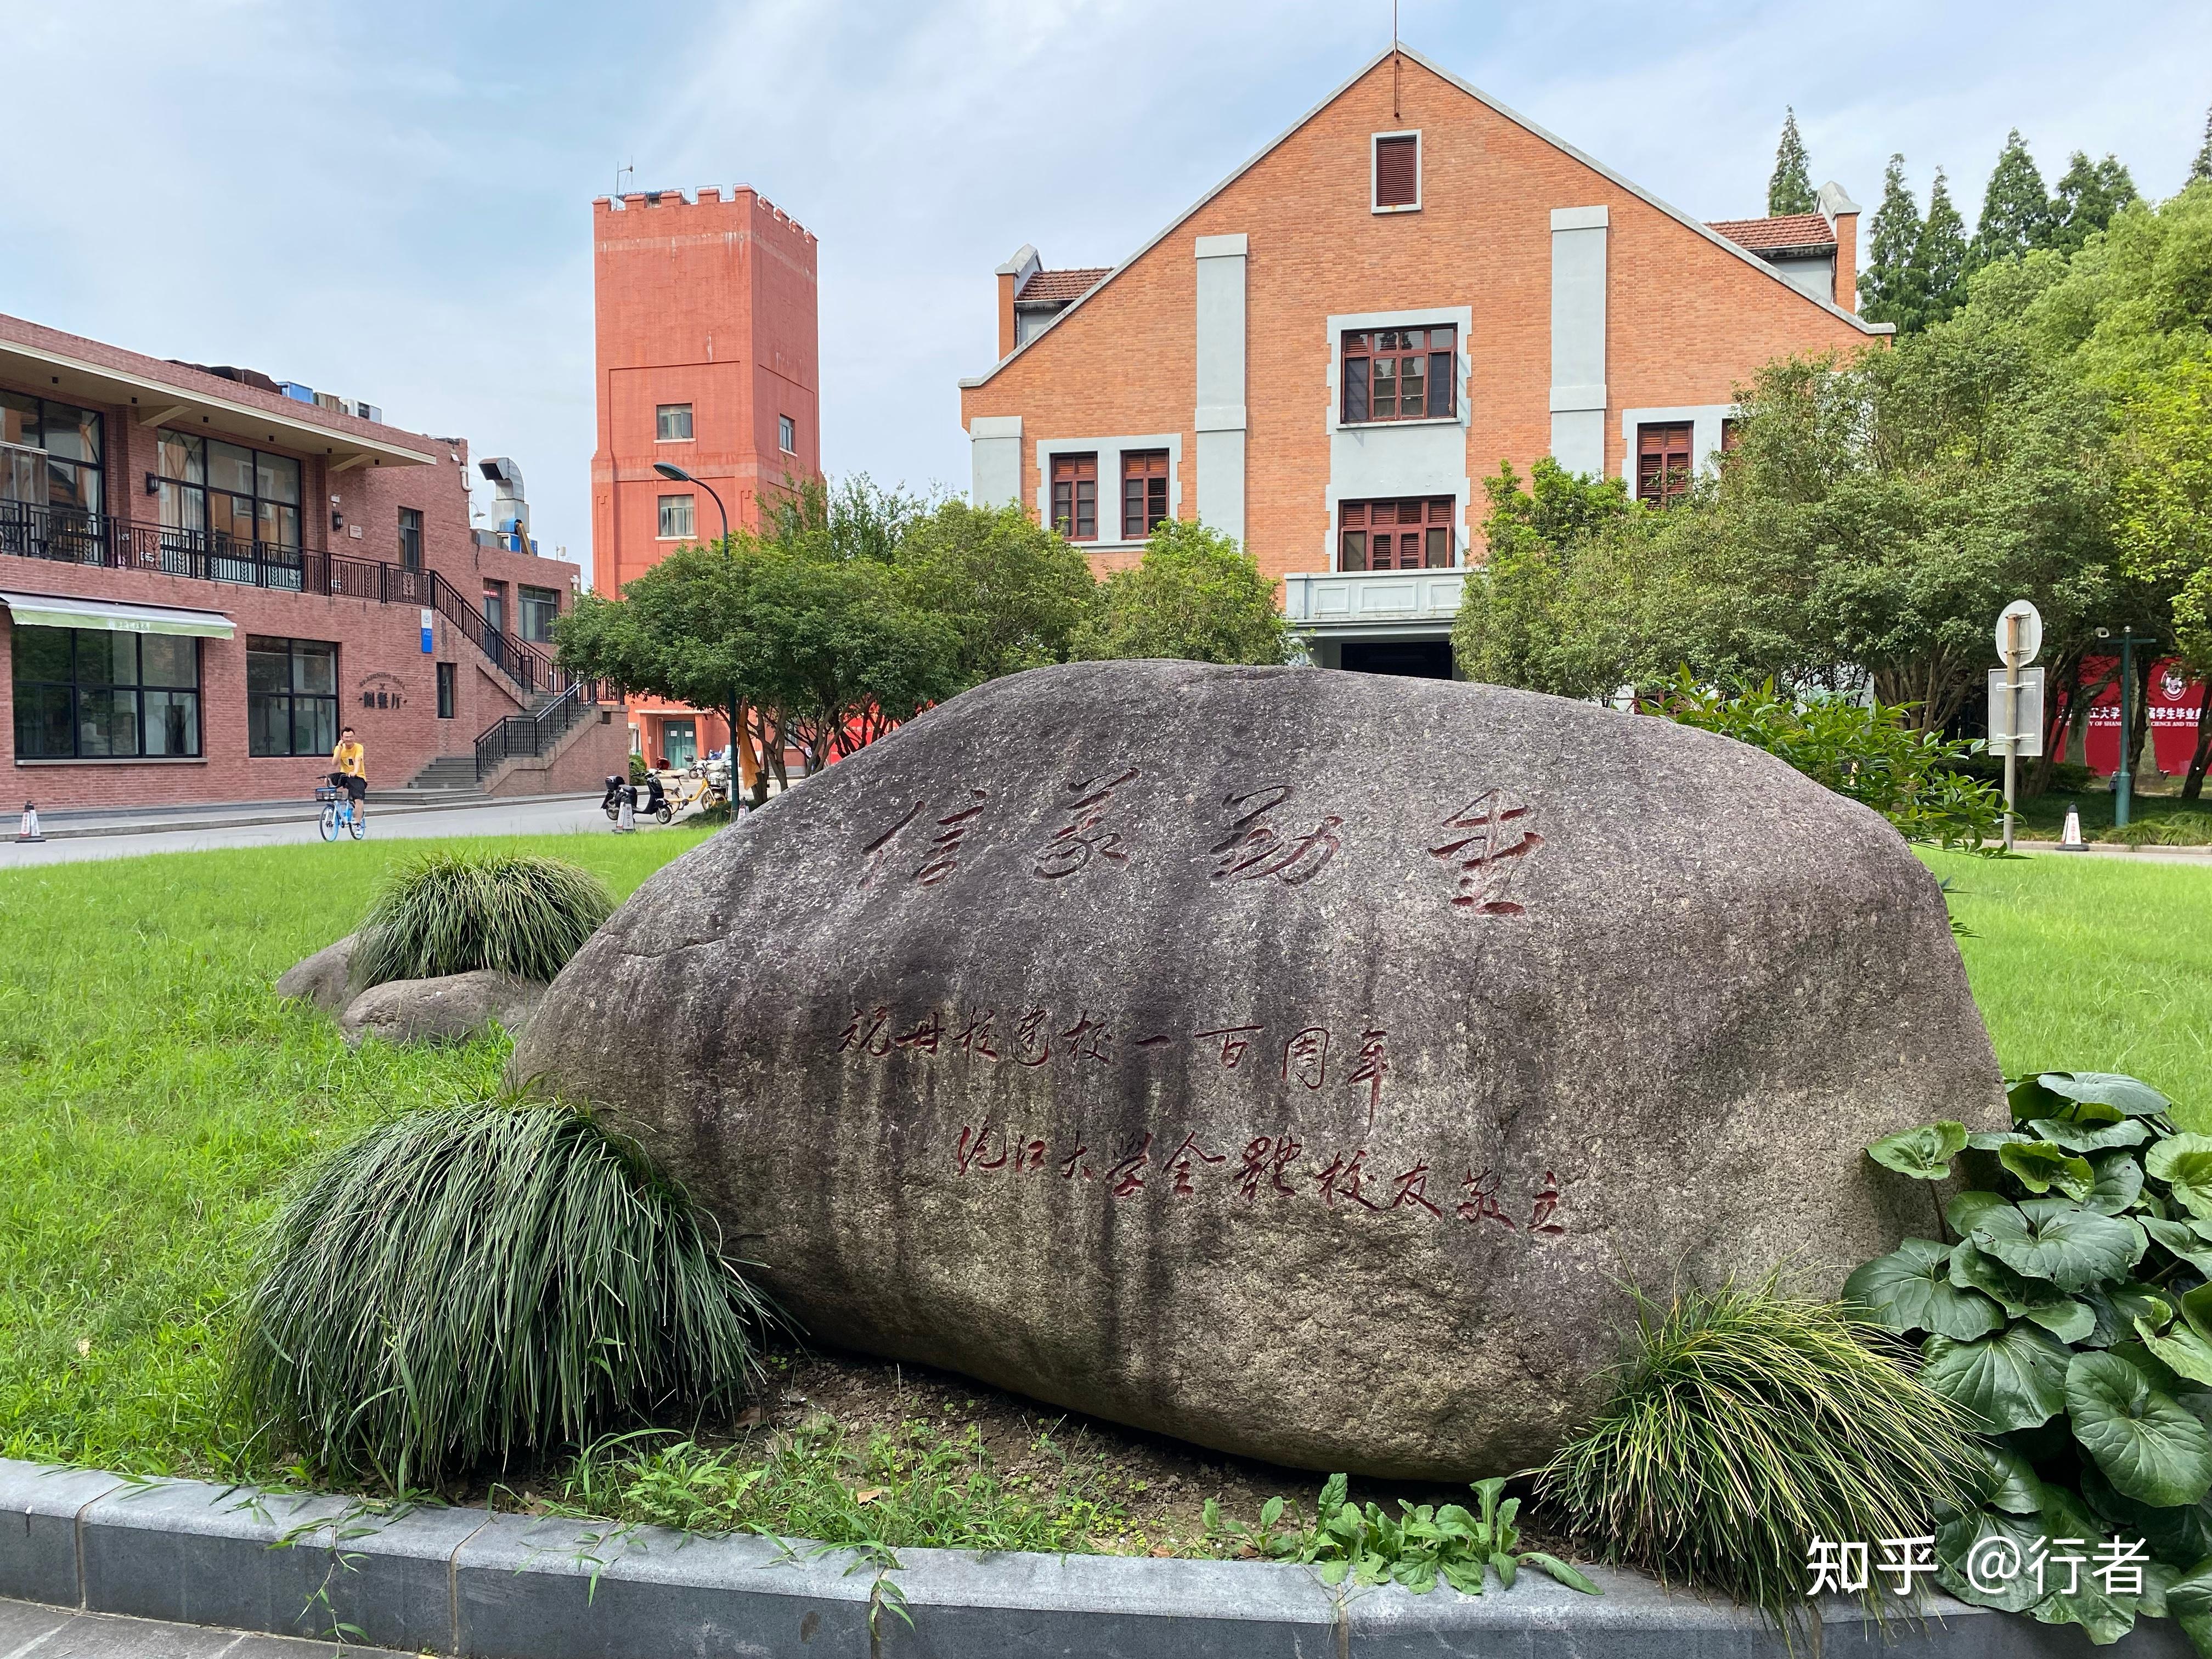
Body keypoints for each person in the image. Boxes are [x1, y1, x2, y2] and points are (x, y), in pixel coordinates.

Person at [329, 726, 368, 826]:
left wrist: (355, 772)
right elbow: (334, 763)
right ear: (342, 738)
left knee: (358, 799)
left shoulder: (359, 747)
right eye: (347, 737)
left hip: (358, 776)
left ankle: (358, 824)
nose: (349, 739)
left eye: (351, 737)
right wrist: (340, 749)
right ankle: (333, 807)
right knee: (327, 779)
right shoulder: (339, 748)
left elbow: (358, 760)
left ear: (354, 737)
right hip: (345, 775)